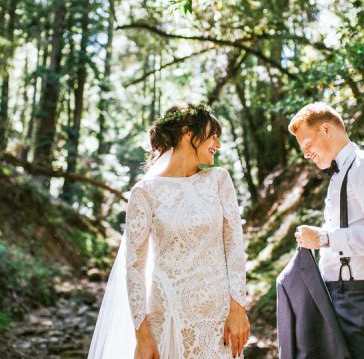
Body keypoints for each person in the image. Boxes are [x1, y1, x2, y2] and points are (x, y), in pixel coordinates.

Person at [88, 103, 250, 359]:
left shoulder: (219, 180)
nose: (217, 144)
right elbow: (134, 268)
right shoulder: (145, 192)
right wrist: (142, 337)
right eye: (212, 135)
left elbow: (234, 247)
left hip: (219, 320)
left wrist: (238, 307)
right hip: (167, 319)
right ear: (187, 133)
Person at [289, 102, 364, 359]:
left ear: (326, 129)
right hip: (341, 301)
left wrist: (324, 238)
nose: (306, 154)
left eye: (307, 144)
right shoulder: (337, 177)